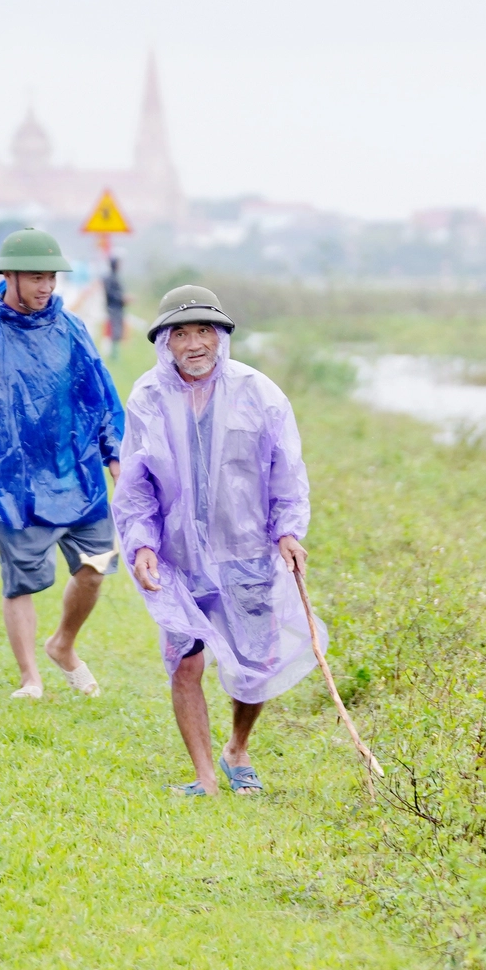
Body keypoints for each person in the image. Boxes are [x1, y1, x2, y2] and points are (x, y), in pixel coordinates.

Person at [116, 285, 319, 796]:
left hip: (245, 549)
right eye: (179, 333)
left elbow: (286, 472)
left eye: (204, 329)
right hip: (176, 556)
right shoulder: (148, 397)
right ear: (165, 342)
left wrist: (288, 532)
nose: (193, 343)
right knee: (186, 660)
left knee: (256, 664)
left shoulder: (260, 393)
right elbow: (136, 483)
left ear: (222, 335)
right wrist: (142, 544)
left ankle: (238, 748)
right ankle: (205, 776)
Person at [0, 228, 125, 698]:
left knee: (96, 567)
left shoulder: (72, 329)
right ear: (10, 277)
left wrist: (114, 453)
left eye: (51, 278)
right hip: (13, 477)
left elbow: (98, 396)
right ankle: (30, 678)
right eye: (36, 278)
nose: (45, 288)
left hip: (76, 470)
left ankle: (63, 644)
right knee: (20, 581)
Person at [102, 256, 128, 360]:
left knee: (117, 330)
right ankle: (114, 356)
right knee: (114, 331)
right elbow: (110, 294)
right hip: (113, 307)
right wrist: (122, 298)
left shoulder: (115, 277)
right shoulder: (109, 278)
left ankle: (115, 355)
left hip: (118, 307)